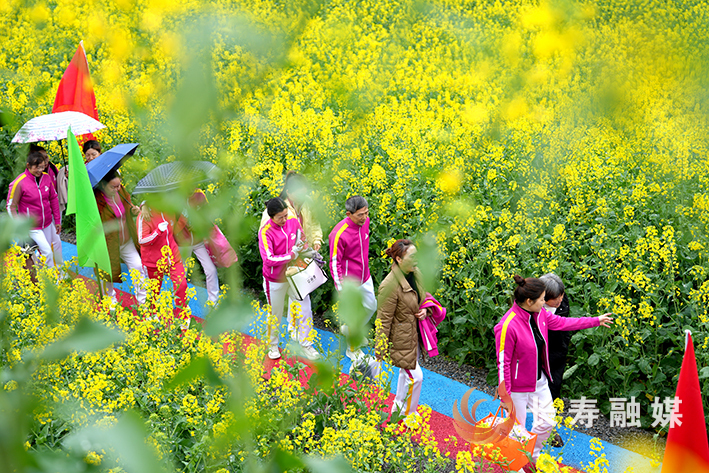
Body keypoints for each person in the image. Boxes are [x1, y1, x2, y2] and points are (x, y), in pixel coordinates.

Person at [494, 275, 613, 464]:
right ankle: (515, 465)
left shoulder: (540, 314)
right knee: (517, 431)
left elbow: (565, 323)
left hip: (539, 380)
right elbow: (503, 363)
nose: (545, 303)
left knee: (547, 422)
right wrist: (505, 396)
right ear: (529, 301)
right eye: (542, 299)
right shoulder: (507, 326)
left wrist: (595, 320)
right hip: (517, 387)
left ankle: (532, 456)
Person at [260, 172, 322, 345]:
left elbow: (305, 233)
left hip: (298, 268)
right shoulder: (269, 221)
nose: (285, 220)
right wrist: (292, 254)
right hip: (276, 275)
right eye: (282, 218)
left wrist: (312, 248)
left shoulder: (297, 215)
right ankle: (273, 344)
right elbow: (268, 255)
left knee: (304, 305)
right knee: (275, 313)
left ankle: (306, 343)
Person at [375, 239, 428, 417]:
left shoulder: (416, 272)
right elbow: (383, 320)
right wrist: (380, 350)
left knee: (406, 374)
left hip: (415, 334)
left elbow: (424, 296)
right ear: (398, 259)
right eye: (412, 256)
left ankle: (398, 408)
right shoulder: (389, 286)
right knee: (416, 377)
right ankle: (408, 415)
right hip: (401, 340)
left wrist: (425, 310)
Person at [329, 196, 376, 360]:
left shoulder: (366, 222)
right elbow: (334, 263)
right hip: (350, 284)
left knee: (371, 306)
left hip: (365, 276)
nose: (364, 217)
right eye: (360, 215)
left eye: (366, 213)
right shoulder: (338, 234)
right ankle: (352, 348)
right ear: (349, 214)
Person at [95, 169, 147, 305]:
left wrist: (133, 210)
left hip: (126, 240)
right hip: (109, 243)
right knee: (107, 273)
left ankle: (143, 301)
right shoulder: (96, 199)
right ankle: (110, 300)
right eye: (113, 187)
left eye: (119, 185)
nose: (118, 189)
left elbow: (127, 206)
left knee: (138, 267)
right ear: (103, 185)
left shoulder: (121, 192)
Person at [6, 150, 62, 268]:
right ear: (28, 166)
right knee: (47, 252)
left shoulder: (46, 178)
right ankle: (50, 281)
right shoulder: (19, 183)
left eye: (42, 167)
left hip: (47, 223)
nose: (40, 170)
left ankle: (61, 274)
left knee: (57, 246)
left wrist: (57, 221)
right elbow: (11, 207)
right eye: (37, 167)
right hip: (32, 227)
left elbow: (54, 198)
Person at [137, 201, 189, 328]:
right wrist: (157, 231)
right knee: (154, 290)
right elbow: (142, 239)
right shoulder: (145, 215)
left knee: (181, 285)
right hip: (153, 261)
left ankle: (182, 316)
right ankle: (151, 313)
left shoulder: (170, 208)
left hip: (173, 256)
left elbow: (182, 217)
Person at [175, 189, 220, 305]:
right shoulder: (176, 197)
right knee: (181, 274)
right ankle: (181, 303)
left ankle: (213, 301)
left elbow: (208, 215)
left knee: (211, 270)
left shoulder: (200, 195)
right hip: (182, 243)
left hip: (199, 241)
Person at [539, 273, 571, 401]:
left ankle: (553, 405)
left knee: (555, 377)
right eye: (556, 298)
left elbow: (566, 323)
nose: (560, 300)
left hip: (557, 345)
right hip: (537, 346)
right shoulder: (532, 304)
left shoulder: (562, 302)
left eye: (561, 295)